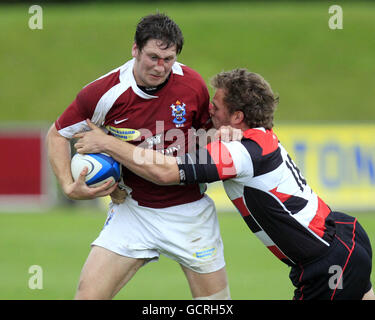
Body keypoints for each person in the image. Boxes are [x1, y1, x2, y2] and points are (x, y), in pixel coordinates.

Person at [74, 68, 374, 300]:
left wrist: (108, 143)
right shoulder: (257, 138)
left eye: (216, 106)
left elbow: (166, 172)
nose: (209, 110)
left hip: (327, 261)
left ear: (237, 116)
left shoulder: (241, 153)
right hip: (345, 241)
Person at [46, 13, 230, 300]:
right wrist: (69, 186)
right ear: (135, 49)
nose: (160, 67)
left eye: (168, 59)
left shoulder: (192, 85)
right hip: (133, 211)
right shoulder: (104, 93)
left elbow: (206, 135)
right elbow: (57, 134)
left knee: (216, 305)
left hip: (190, 213)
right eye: (153, 56)